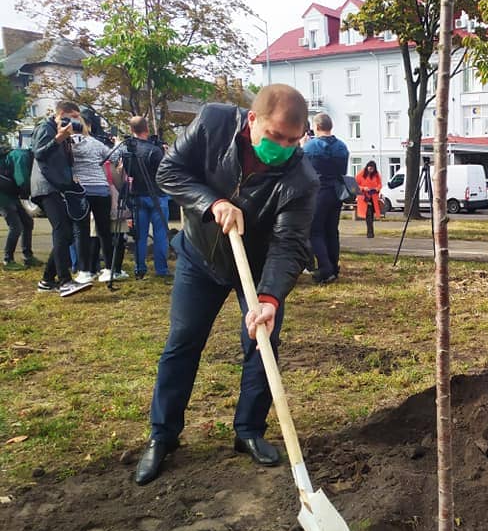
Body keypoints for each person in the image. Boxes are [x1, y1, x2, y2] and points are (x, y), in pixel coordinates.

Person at [134, 84, 318, 485]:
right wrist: (212, 203)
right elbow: (170, 172)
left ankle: (249, 431)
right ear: (252, 120)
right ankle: (163, 435)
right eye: (275, 137)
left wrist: (268, 298)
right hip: (200, 257)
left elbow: (290, 244)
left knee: (261, 345)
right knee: (182, 342)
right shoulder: (213, 123)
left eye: (292, 140)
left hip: (256, 268)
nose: (283, 148)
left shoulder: (301, 177)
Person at [30, 101, 93, 297]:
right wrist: (58, 138)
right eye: (73, 116)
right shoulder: (45, 127)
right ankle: (65, 281)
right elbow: (38, 153)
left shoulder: (61, 133)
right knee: (62, 230)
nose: (75, 121)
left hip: (56, 186)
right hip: (45, 186)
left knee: (65, 234)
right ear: (62, 114)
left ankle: (47, 280)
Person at [303, 112, 349, 284]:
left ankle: (325, 268)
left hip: (319, 192)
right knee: (332, 230)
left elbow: (301, 167)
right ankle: (333, 267)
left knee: (315, 231)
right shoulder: (342, 147)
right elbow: (343, 171)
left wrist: (302, 147)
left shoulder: (310, 147)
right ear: (331, 126)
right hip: (337, 192)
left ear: (316, 127)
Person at [68, 117, 113, 283]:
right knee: (104, 231)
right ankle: (109, 269)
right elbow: (113, 157)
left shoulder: (68, 144)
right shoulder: (94, 142)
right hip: (101, 189)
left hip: (81, 190)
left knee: (82, 232)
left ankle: (85, 271)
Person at [123, 117, 167, 279]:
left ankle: (139, 268)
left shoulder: (127, 151)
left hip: (138, 195)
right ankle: (161, 270)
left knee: (140, 236)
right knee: (160, 234)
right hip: (157, 196)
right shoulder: (154, 150)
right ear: (147, 129)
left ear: (131, 129)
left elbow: (127, 173)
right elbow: (164, 172)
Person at [1, 147, 40, 269]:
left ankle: (28, 256)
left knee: (27, 222)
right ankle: (8, 260)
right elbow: (22, 179)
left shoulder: (27, 156)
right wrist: (31, 196)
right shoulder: (22, 156)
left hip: (10, 192)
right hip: (2, 194)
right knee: (16, 226)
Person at [356, 160, 383, 238]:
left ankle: (371, 232)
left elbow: (379, 184)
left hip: (373, 197)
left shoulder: (376, 175)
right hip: (364, 198)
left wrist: (376, 189)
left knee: (371, 215)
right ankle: (370, 233)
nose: (370, 170)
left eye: (372, 169)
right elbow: (356, 185)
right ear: (367, 167)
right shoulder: (361, 174)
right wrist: (363, 188)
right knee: (368, 214)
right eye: (369, 168)